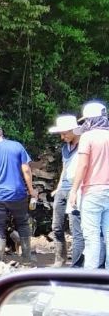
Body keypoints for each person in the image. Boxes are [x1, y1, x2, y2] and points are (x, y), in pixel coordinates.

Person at [0, 126, 37, 264]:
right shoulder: (17, 146)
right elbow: (26, 170)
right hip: (18, 193)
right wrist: (31, 189)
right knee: (22, 224)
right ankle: (26, 258)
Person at [69, 101, 109, 270]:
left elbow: (83, 165)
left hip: (92, 192)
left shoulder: (88, 137)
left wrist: (74, 190)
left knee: (92, 237)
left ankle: (91, 276)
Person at [47, 115, 83, 267]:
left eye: (64, 133)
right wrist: (59, 187)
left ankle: (77, 265)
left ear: (74, 130)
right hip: (64, 189)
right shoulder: (64, 148)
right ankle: (59, 259)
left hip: (78, 190)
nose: (62, 137)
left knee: (77, 231)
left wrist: (76, 189)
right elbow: (65, 168)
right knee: (56, 226)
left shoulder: (84, 146)